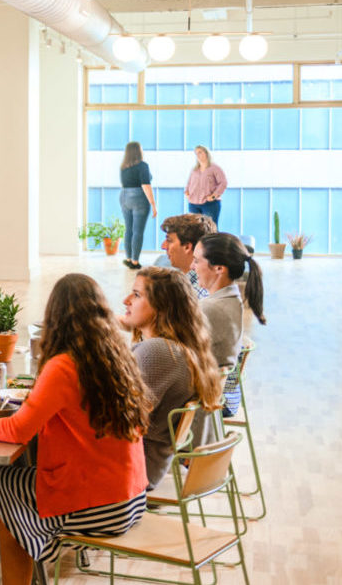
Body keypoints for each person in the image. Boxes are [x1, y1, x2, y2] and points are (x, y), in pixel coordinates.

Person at [0, 274, 150, 585]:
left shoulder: (64, 365)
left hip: (98, 505)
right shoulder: (116, 355)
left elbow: (18, 431)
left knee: (4, 489)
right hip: (130, 497)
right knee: (11, 489)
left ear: (55, 316)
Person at [119, 268, 223, 488]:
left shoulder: (159, 351)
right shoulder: (174, 348)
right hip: (148, 465)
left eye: (136, 295)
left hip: (131, 472)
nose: (125, 300)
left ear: (161, 307)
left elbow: (121, 420)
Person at [191, 233, 266, 371]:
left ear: (219, 268)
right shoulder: (232, 298)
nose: (192, 267)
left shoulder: (210, 309)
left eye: (196, 261)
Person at [156, 213, 216, 299]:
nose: (163, 246)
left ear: (187, 247)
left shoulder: (192, 297)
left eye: (169, 240)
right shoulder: (183, 281)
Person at [118, 142, 157, 270]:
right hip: (138, 196)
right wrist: (153, 203)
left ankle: (128, 258)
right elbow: (145, 185)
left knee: (128, 229)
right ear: (138, 151)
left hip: (124, 195)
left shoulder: (123, 167)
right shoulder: (142, 166)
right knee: (138, 231)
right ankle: (135, 262)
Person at [184, 146, 227, 226]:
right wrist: (187, 192)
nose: (198, 155)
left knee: (210, 229)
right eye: (196, 153)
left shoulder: (215, 168)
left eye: (200, 152)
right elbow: (189, 183)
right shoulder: (194, 170)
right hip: (193, 204)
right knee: (195, 229)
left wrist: (214, 196)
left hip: (209, 204)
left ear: (206, 153)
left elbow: (223, 183)